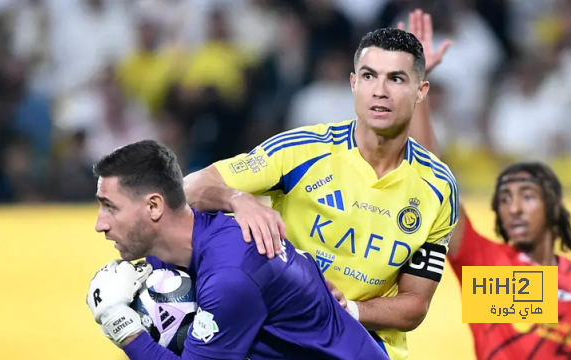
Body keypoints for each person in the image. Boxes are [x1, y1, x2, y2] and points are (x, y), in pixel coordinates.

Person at [182, 24, 456, 360]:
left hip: (362, 342)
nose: (379, 91)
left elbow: (415, 305)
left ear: (421, 90)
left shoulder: (439, 187)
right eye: (369, 76)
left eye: (396, 79)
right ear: (354, 83)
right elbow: (189, 188)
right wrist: (237, 200)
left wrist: (349, 308)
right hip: (279, 334)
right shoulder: (301, 150)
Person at [405, 10, 571, 360]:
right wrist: (420, 84)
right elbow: (434, 182)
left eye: (527, 196)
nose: (513, 206)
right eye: (505, 198)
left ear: (553, 207)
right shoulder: (486, 264)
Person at [85, 140, 389, 360]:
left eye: (110, 207)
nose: (100, 225)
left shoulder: (231, 274)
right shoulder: (176, 250)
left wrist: (122, 325)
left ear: (154, 206)